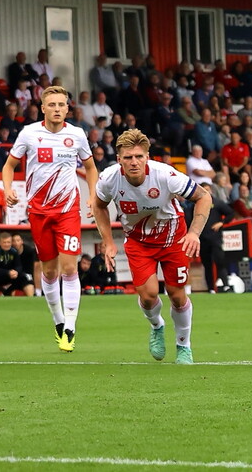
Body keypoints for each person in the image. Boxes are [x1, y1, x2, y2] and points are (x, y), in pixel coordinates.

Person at [92, 129, 211, 364]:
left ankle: (183, 346)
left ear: (147, 157)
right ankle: (157, 326)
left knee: (177, 295)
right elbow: (98, 206)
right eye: (128, 157)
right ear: (119, 160)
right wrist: (107, 243)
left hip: (173, 238)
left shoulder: (166, 175)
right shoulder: (109, 179)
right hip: (138, 241)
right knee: (148, 296)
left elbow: (204, 197)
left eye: (139, 156)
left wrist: (194, 233)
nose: (134, 162)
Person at [2, 85, 98, 352]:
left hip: (67, 210)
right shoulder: (30, 134)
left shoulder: (77, 135)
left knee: (69, 268)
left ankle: (70, 327)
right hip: (39, 212)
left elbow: (91, 168)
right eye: (52, 104)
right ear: (42, 108)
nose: (57, 109)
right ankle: (58, 321)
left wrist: (92, 196)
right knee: (49, 271)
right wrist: (8, 189)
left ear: (68, 108)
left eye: (61, 105)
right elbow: (9, 165)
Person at [196, 183, 236, 294]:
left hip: (215, 238)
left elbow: (231, 213)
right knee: (206, 264)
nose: (206, 192)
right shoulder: (196, 203)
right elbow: (188, 218)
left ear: (211, 191)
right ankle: (211, 288)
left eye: (208, 189)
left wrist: (221, 223)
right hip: (202, 238)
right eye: (204, 190)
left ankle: (226, 285)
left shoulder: (217, 203)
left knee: (220, 262)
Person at [0, 232, 33, 296]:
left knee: (25, 277)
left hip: (10, 275)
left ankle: (31, 297)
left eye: (8, 242)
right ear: (0, 242)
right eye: (4, 242)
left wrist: (16, 272)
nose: (6, 244)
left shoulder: (14, 251)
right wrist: (7, 272)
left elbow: (18, 265)